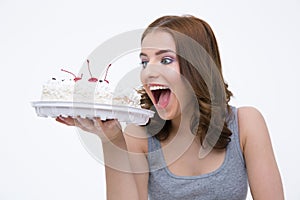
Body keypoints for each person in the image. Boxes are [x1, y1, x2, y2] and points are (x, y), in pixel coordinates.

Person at [56, 15, 284, 199]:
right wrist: (111, 138)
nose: (148, 71)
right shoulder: (140, 134)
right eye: (145, 61)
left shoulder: (246, 123)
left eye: (165, 60)